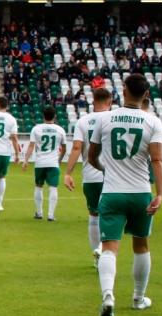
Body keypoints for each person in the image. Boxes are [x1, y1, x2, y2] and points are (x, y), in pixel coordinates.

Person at [86, 73, 162, 316]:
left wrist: (104, 168)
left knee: (109, 247)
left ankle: (108, 296)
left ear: (123, 91)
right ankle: (138, 299)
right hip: (141, 192)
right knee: (141, 245)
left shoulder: (106, 119)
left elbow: (91, 156)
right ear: (146, 95)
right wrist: (160, 194)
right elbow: (157, 159)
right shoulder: (153, 122)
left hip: (112, 193)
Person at [64, 88, 112, 266]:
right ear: (110, 102)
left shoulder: (83, 121)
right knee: (111, 215)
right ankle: (102, 248)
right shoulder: (114, 118)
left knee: (94, 214)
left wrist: (68, 173)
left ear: (93, 102)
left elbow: (76, 148)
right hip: (113, 176)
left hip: (91, 176)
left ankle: (96, 258)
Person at [22, 106, 67, 221]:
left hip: (40, 163)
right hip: (53, 163)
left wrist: (26, 160)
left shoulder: (36, 129)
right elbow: (64, 148)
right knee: (53, 188)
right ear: (55, 116)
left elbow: (31, 145)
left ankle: (39, 212)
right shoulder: (60, 130)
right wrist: (60, 160)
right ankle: (51, 215)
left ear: (43, 116)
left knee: (38, 187)